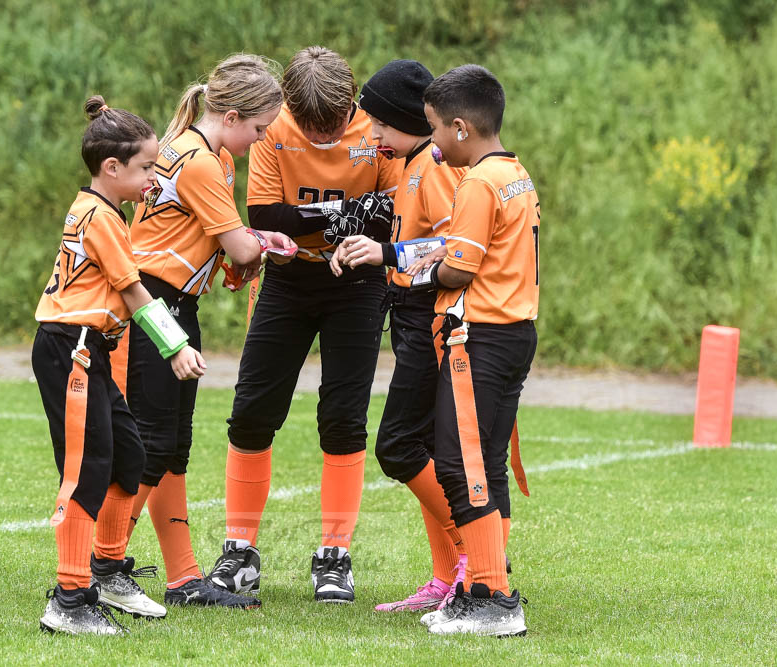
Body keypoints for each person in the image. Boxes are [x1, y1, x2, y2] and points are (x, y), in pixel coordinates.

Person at [206, 46, 402, 604]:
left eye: (331, 126)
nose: (321, 136)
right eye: (310, 127)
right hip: (288, 280)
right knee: (251, 412)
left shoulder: (378, 129)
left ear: (351, 104)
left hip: (359, 282)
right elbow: (267, 217)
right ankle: (240, 551)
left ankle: (334, 556)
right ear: (290, 108)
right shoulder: (272, 126)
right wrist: (351, 213)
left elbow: (390, 216)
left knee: (343, 419)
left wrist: (316, 220)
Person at [112, 54, 296, 609]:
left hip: (173, 302)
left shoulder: (202, 152)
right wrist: (266, 246)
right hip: (153, 302)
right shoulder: (199, 161)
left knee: (173, 447)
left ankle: (183, 578)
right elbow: (238, 246)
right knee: (154, 443)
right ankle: (101, 564)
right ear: (232, 116)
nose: (259, 142)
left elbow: (224, 243)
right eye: (258, 130)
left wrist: (250, 247)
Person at [34, 96, 206, 634]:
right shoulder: (101, 217)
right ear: (112, 168)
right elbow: (134, 292)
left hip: (92, 350)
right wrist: (176, 346)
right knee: (87, 472)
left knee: (130, 454)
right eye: (147, 168)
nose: (155, 178)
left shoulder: (106, 210)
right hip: (73, 350)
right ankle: (70, 599)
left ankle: (107, 571)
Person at [327, 59, 469, 613]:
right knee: (423, 448)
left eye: (382, 123)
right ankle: (446, 575)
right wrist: (368, 249)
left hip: (432, 317)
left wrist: (386, 253)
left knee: (399, 446)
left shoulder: (436, 165)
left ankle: (476, 554)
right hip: (409, 312)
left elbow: (457, 246)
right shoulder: (410, 162)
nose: (374, 133)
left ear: (412, 119)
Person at [411, 64, 539, 637]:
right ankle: (481, 587)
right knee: (484, 462)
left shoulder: (479, 182)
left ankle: (492, 597)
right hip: (513, 332)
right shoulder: (515, 173)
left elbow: (460, 270)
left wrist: (419, 271)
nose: (433, 141)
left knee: (462, 465)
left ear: (461, 127)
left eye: (435, 128)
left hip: (479, 338)